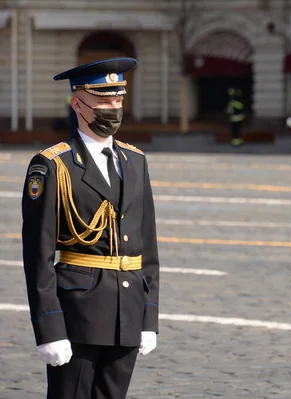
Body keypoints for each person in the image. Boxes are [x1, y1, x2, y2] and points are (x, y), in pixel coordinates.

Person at [21, 57, 160, 398]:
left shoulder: (135, 161)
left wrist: (148, 318)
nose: (113, 108)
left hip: (127, 312)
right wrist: (49, 328)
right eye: (103, 100)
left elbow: (148, 249)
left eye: (118, 100)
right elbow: (37, 255)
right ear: (78, 103)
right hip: (78, 314)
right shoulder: (54, 164)